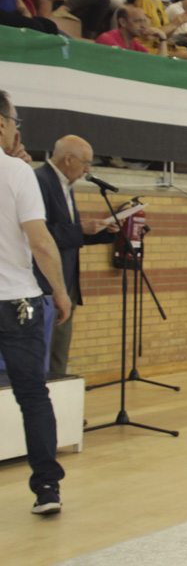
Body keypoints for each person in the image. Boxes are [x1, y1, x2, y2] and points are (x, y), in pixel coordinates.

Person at [0, 90, 73, 515]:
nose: (17, 129)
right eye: (15, 121)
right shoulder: (17, 173)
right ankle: (46, 487)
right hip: (16, 302)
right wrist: (60, 293)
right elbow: (40, 242)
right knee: (32, 396)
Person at [31, 135, 116, 380]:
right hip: (44, 284)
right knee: (43, 349)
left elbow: (69, 234)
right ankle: (46, 405)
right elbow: (40, 234)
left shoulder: (65, 185)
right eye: (85, 163)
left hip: (66, 280)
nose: (88, 170)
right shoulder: (39, 181)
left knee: (59, 348)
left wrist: (103, 233)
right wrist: (80, 229)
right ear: (69, 159)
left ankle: (60, 401)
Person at [97, 5, 169, 55]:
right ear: (123, 22)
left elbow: (157, 66)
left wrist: (163, 38)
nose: (143, 25)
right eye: (138, 21)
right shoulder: (107, 39)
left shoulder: (135, 45)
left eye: (144, 21)